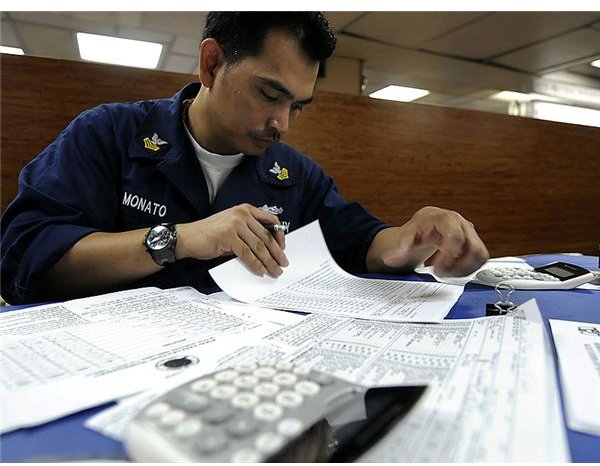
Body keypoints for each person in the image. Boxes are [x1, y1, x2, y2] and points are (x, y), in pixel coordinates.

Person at [0, 12, 489, 305]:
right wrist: (181, 239)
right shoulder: (107, 134)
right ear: (212, 64)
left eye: (296, 105)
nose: (283, 124)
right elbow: (25, 256)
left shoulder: (293, 173)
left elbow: (361, 239)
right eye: (268, 94)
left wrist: (407, 239)